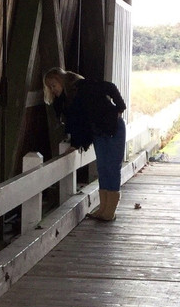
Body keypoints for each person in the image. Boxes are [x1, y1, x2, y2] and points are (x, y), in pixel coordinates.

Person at [42, 67, 127, 221]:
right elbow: (77, 124)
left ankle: (110, 211)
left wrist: (120, 108)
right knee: (102, 168)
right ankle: (103, 208)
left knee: (112, 167)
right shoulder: (66, 101)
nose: (52, 90)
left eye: (54, 85)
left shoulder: (83, 86)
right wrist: (75, 145)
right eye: (50, 87)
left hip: (113, 127)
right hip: (98, 131)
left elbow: (110, 87)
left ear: (61, 80)